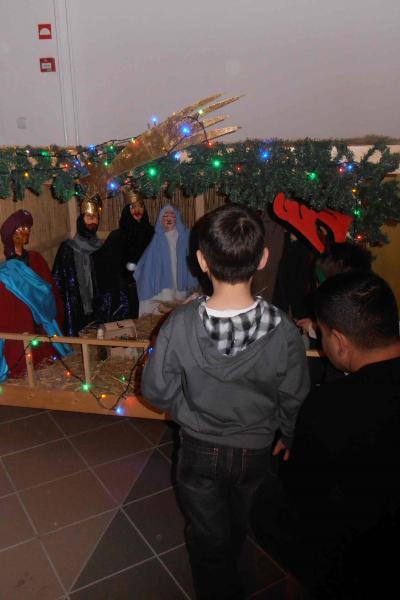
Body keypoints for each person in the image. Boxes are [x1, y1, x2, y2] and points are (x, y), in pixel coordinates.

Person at [141, 203, 310, 600]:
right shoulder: (284, 329)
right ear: (263, 257)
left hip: (199, 449)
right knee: (240, 523)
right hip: (256, 449)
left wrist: (183, 407)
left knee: (207, 536)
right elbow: (294, 393)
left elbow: (156, 391)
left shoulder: (179, 323)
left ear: (201, 261)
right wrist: (288, 432)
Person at [254, 271, 400, 598]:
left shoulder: (329, 405)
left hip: (358, 556)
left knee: (265, 500)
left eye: (320, 332)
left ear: (339, 342)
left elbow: (303, 489)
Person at [0, 209, 67, 378]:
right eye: (21, 228)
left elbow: (49, 289)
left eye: (28, 228)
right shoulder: (6, 272)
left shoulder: (36, 259)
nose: (26, 232)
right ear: (11, 235)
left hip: (44, 321)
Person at [92, 189, 154, 322]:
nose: (137, 210)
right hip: (126, 290)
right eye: (133, 207)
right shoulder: (117, 235)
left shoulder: (152, 233)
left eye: (140, 206)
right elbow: (105, 261)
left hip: (149, 286)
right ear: (126, 210)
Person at [134, 204, 198, 316]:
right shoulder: (157, 238)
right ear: (160, 220)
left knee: (181, 305)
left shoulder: (185, 235)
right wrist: (140, 271)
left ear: (177, 218)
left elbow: (193, 254)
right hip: (164, 279)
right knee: (165, 303)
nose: (168, 218)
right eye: (165, 216)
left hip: (181, 277)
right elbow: (148, 260)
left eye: (172, 215)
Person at [52, 198, 102, 336]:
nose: (92, 221)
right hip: (76, 306)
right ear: (81, 220)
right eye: (88, 216)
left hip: (96, 306)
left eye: (95, 217)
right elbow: (57, 281)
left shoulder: (100, 247)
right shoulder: (67, 248)